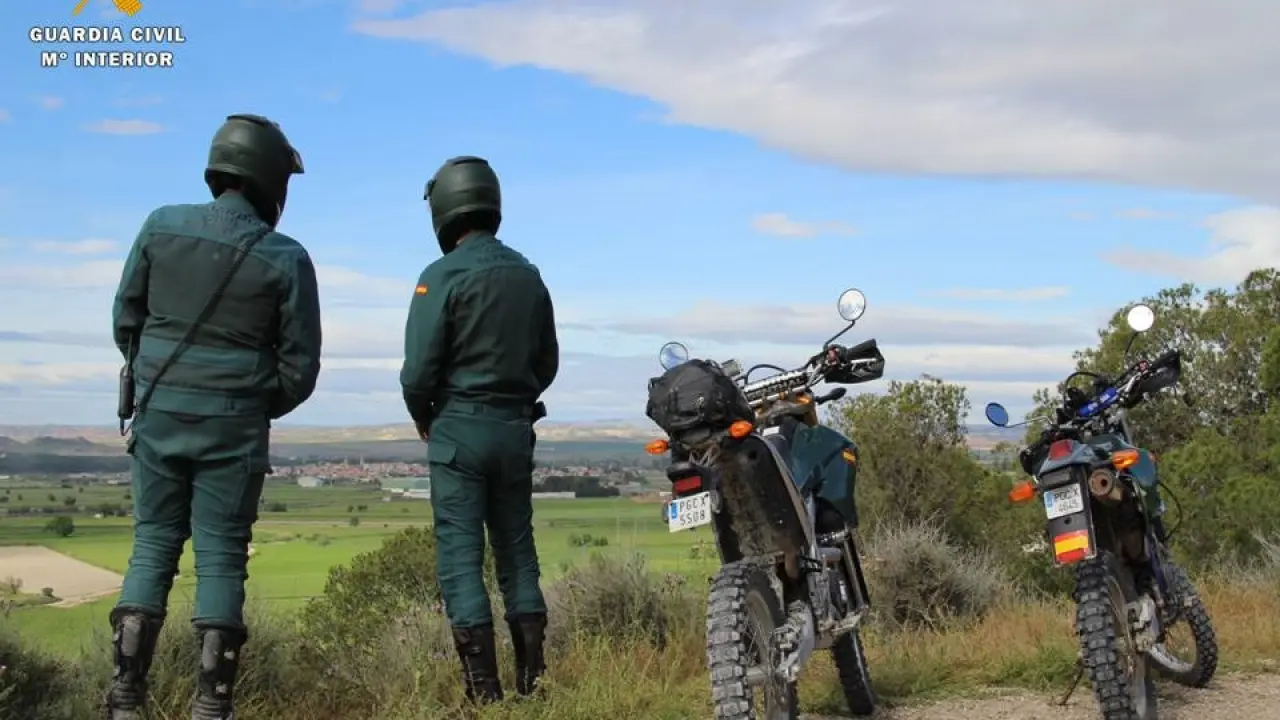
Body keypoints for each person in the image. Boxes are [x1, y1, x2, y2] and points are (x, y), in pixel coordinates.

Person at [105, 113, 321, 720]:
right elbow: (300, 368)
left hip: (160, 413)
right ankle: (211, 705)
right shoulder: (286, 257)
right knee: (223, 559)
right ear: (271, 178)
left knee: (152, 547)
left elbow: (126, 322)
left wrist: (159, 380)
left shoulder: (161, 225)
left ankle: (125, 696)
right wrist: (249, 403)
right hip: (235, 428)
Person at [400, 155, 559, 703]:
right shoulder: (529, 275)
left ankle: (483, 694)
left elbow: (418, 371)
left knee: (461, 559)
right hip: (514, 430)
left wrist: (425, 415)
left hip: (458, 432)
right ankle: (533, 684)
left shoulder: (440, 276)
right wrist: (514, 397)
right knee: (517, 551)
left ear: (444, 209)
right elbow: (547, 363)